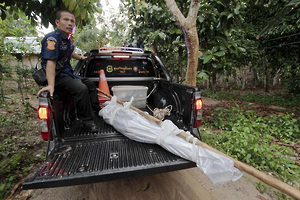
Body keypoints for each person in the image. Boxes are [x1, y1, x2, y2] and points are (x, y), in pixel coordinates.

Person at [37, 10, 100, 133]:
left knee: (90, 84)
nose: (70, 23)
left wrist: (81, 58)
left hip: (68, 75)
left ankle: (96, 111)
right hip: (58, 77)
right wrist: (51, 85)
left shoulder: (68, 40)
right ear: (57, 22)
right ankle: (87, 121)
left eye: (72, 21)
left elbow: (69, 52)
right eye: (66, 20)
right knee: (81, 88)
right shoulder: (52, 39)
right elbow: (51, 63)